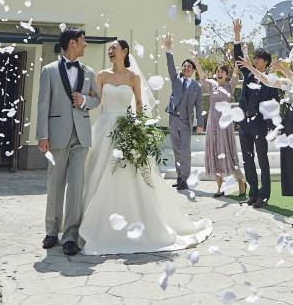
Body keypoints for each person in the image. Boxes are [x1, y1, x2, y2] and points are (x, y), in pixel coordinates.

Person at [79, 39, 213, 255]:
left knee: (133, 174)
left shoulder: (134, 77)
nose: (110, 51)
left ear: (125, 52)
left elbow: (139, 105)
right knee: (97, 170)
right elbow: (97, 101)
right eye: (109, 49)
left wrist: (140, 129)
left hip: (127, 128)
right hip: (105, 128)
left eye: (114, 48)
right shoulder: (102, 75)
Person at [241, 48, 293, 228]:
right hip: (290, 122)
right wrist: (251, 68)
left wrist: (283, 69)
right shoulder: (290, 79)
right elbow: (269, 81)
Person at [36, 28, 101, 255]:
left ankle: (71, 235)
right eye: (83, 41)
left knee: (76, 185)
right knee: (55, 183)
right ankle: (52, 231)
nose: (86, 45)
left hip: (81, 135)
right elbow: (42, 105)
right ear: (72, 43)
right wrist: (42, 135)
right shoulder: (49, 70)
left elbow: (97, 100)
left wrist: (85, 101)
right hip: (56, 134)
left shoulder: (89, 72)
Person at [233, 19, 279, 208]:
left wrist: (274, 128)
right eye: (255, 58)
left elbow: (274, 104)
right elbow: (238, 57)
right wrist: (237, 35)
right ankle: (252, 193)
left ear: (265, 62)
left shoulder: (271, 80)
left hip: (260, 123)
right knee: (247, 158)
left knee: (262, 159)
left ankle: (264, 195)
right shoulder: (249, 75)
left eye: (259, 58)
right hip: (245, 123)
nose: (255, 60)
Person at [193, 59, 245, 198]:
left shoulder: (230, 87)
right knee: (214, 151)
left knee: (228, 151)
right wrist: (195, 59)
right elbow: (202, 76)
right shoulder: (212, 85)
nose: (219, 73)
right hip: (212, 124)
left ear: (226, 74)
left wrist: (236, 60)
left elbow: (235, 74)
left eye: (222, 71)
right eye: (217, 71)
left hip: (225, 124)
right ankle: (219, 188)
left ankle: (241, 182)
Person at [163, 34, 203, 190]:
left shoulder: (197, 87)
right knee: (176, 149)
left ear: (192, 71)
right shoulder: (176, 79)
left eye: (189, 66)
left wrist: (200, 124)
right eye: (184, 66)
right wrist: (168, 49)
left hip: (186, 121)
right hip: (173, 119)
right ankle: (179, 177)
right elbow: (170, 66)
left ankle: (185, 179)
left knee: (185, 150)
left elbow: (199, 107)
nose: (186, 68)